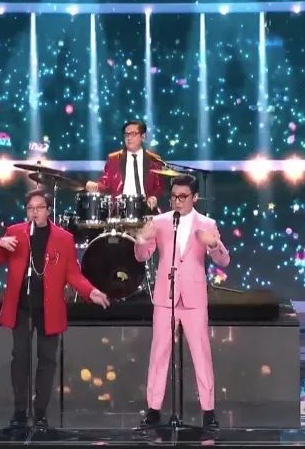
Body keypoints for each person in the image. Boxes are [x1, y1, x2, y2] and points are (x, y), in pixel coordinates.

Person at [0, 189, 111, 430]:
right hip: (22, 307)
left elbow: (72, 273)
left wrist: (90, 291)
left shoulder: (63, 238)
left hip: (49, 309)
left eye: (39, 208)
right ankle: (20, 411)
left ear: (48, 210)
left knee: (47, 361)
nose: (34, 212)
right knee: (20, 358)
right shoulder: (15, 232)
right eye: (30, 208)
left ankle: (40, 412)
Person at [133, 174, 230, 432]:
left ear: (195, 197)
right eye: (174, 196)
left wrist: (214, 244)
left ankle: (208, 411)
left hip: (194, 298)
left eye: (183, 197)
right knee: (159, 354)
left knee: (201, 354)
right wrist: (141, 239)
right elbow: (142, 256)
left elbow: (224, 261)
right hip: (166, 297)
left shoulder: (207, 224)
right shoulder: (160, 222)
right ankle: (153, 410)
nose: (177, 201)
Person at [85, 120, 165, 212]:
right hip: (120, 210)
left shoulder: (154, 160)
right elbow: (105, 183)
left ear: (143, 137)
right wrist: (96, 186)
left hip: (147, 209)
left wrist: (154, 197)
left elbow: (159, 186)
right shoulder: (113, 159)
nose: (129, 137)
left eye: (133, 134)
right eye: (126, 134)